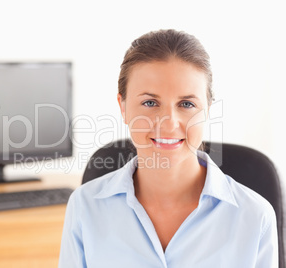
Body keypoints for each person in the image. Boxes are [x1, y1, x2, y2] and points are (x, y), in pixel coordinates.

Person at [59, 29, 278, 268]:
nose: (168, 123)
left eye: (187, 104)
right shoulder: (85, 206)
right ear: (123, 107)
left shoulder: (255, 217)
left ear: (207, 109)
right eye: (150, 103)